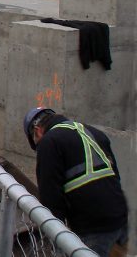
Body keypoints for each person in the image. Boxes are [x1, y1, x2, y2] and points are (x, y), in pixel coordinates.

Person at [24, 107, 129, 257]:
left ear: (38, 130)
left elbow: (50, 197)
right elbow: (115, 176)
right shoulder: (93, 132)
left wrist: (57, 236)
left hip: (92, 228)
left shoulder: (49, 142)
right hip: (119, 220)